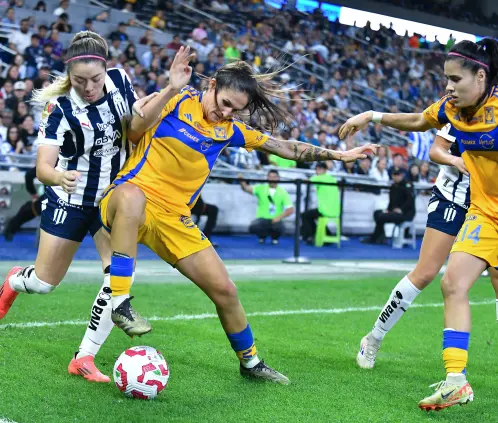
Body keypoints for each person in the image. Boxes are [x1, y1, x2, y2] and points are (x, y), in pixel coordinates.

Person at [96, 47, 378, 384]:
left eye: (235, 110)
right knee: (131, 196)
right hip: (128, 198)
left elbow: (285, 148)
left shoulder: (229, 130)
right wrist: (171, 86)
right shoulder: (176, 99)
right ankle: (120, 301)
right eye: (224, 103)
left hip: (174, 218)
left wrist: (340, 155)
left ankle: (251, 363)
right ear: (211, 84)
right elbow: (133, 131)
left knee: (226, 290)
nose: (224, 113)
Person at [339, 38, 498, 411]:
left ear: (481, 75)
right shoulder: (453, 108)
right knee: (447, 281)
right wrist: (371, 116)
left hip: (480, 204)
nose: (448, 87)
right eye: (446, 79)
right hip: (477, 208)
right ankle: (454, 380)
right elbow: (420, 123)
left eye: (455, 79)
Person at [0, 31, 153, 382]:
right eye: (79, 80)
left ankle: (84, 356)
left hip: (108, 200)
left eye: (94, 79)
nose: (88, 87)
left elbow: (134, 125)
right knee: (44, 283)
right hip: (69, 201)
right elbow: (42, 167)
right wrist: (57, 177)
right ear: (70, 75)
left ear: (106, 69)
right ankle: (14, 280)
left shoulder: (120, 82)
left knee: (118, 276)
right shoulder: (60, 108)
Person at [357, 123, 498, 370]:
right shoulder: (464, 110)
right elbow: (436, 150)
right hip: (453, 200)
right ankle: (373, 338)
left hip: (489, 207)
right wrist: (456, 161)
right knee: (425, 273)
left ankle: (456, 374)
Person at [240, 169, 294, 245]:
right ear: (267, 178)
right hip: (263, 218)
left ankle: (275, 238)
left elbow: (290, 209)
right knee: (254, 226)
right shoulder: (261, 188)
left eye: (274, 177)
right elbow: (246, 188)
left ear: (278, 178)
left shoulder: (283, 192)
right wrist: (241, 180)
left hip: (276, 219)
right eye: (270, 177)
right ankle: (262, 237)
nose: (272, 179)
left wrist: (278, 217)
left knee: (279, 226)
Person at [361, 169, 415, 244]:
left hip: (405, 213)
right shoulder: (393, 186)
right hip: (394, 211)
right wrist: (388, 210)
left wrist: (401, 209)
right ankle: (380, 237)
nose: (396, 177)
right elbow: (391, 201)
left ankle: (376, 238)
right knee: (377, 213)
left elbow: (410, 201)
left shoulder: (408, 185)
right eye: (394, 175)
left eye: (398, 175)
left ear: (401, 176)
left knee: (381, 216)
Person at [300, 162, 338, 244]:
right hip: (335, 210)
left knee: (304, 215)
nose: (317, 171)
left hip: (324, 210)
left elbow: (306, 181)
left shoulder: (319, 178)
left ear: (325, 170)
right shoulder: (332, 179)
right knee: (314, 216)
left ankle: (310, 236)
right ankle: (328, 235)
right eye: (316, 169)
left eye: (320, 169)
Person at [4, 167, 43, 241]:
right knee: (30, 208)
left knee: (28, 209)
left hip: (53, 197)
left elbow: (29, 175)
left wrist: (33, 193)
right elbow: (29, 175)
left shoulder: (52, 161)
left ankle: (10, 230)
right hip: (60, 197)